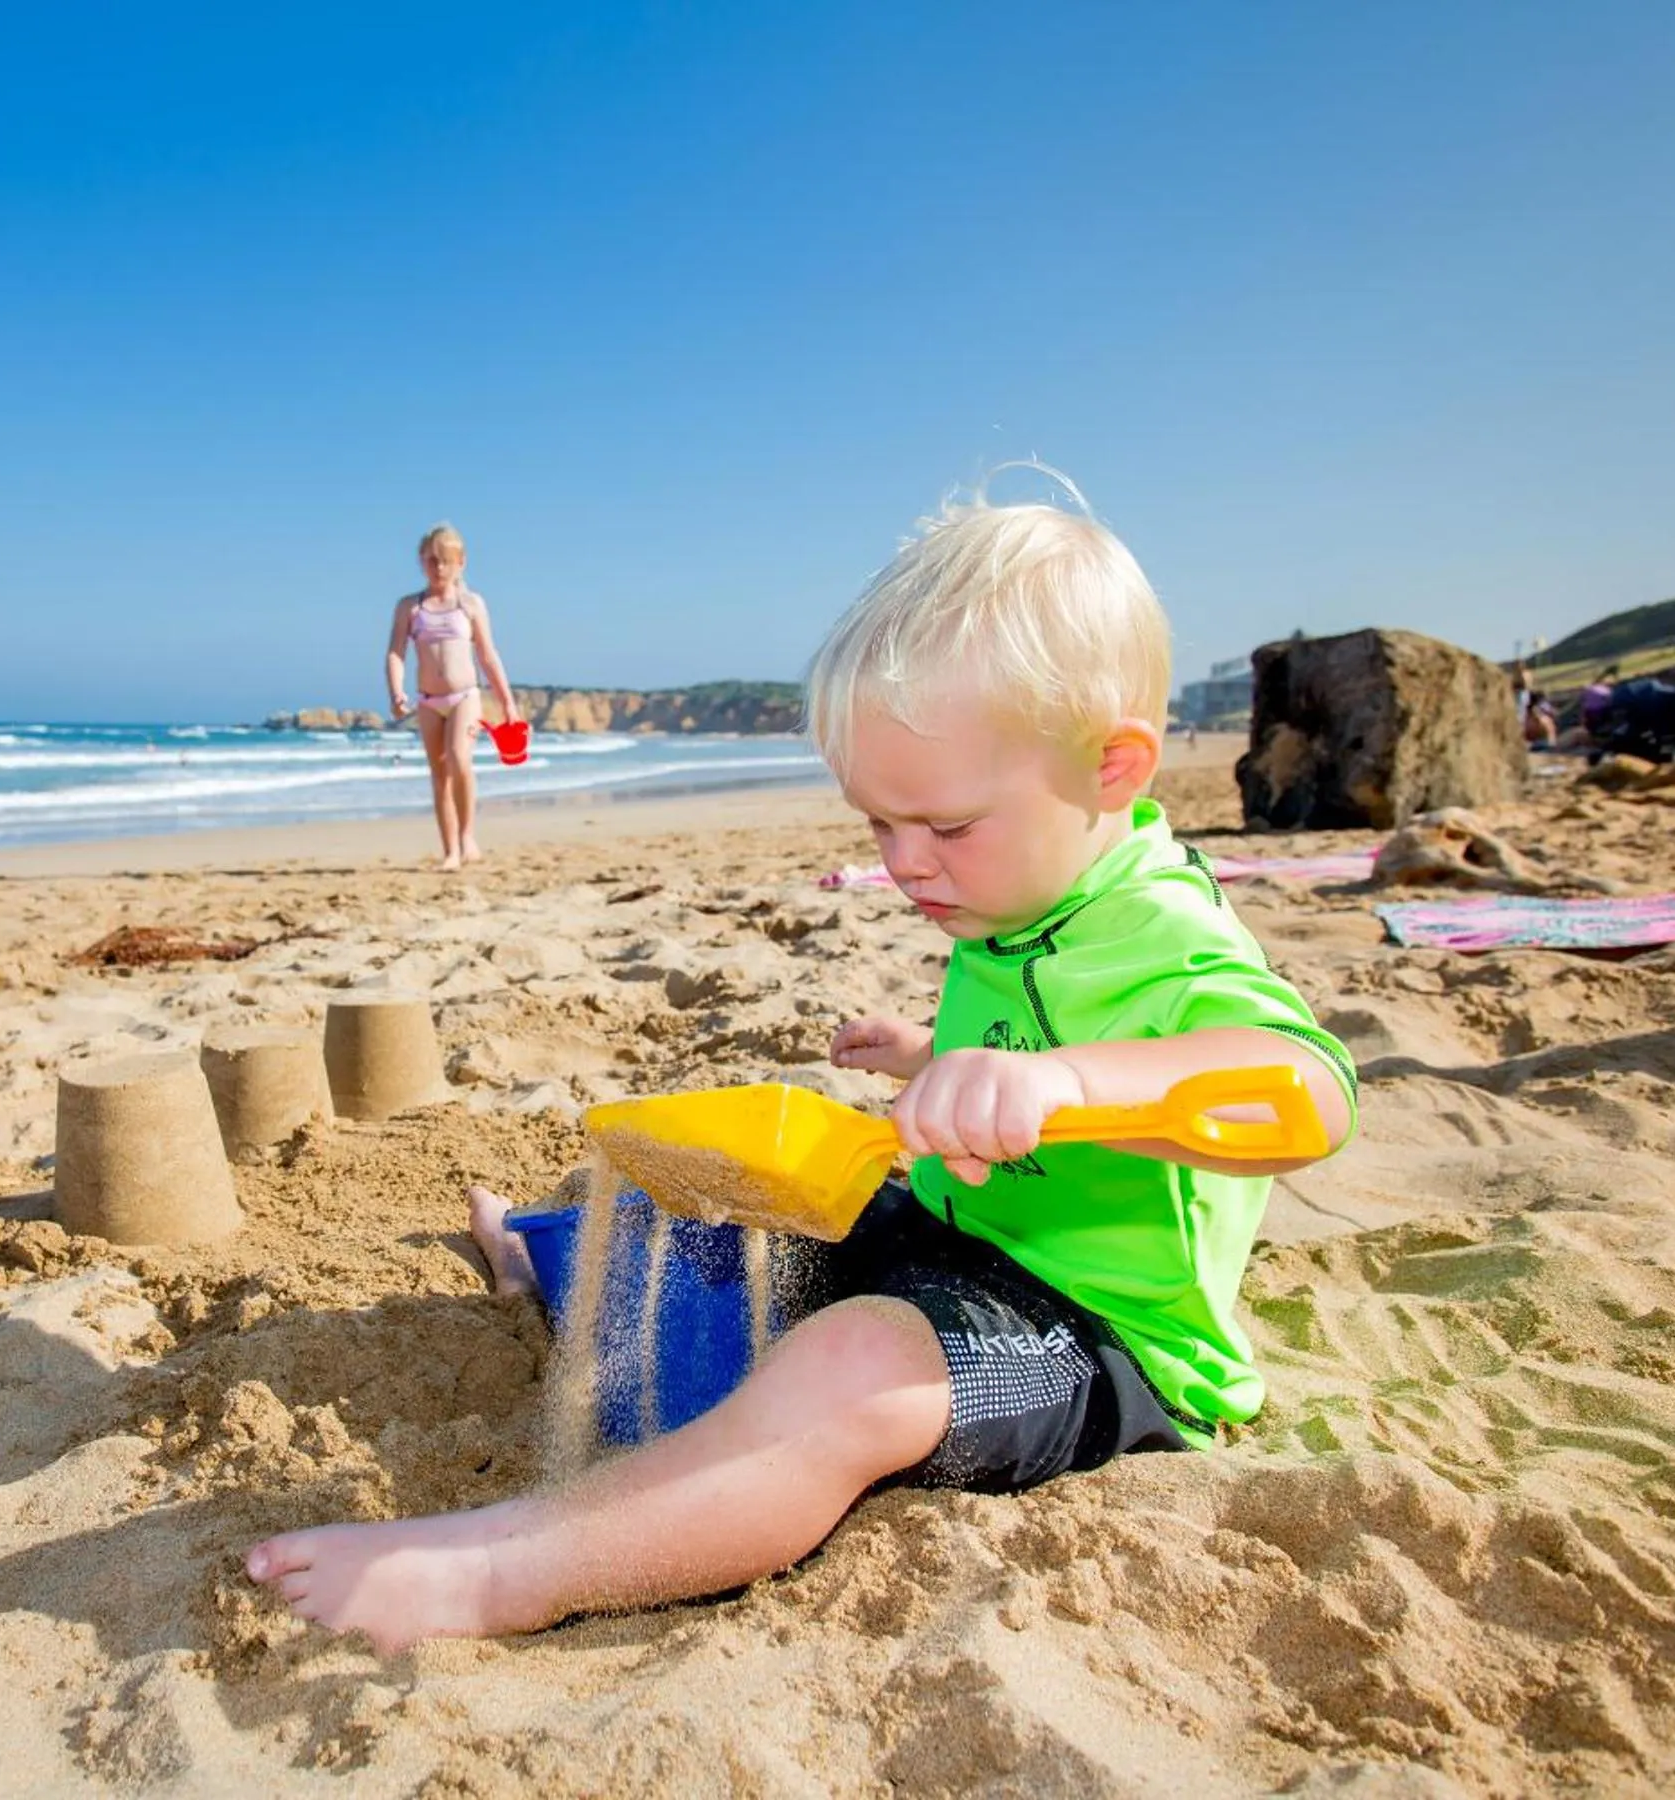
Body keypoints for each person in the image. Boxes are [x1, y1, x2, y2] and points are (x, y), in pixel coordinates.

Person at [251, 496, 1358, 1653]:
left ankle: (508, 1570)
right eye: (878, 825)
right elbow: (1033, 1037)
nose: (905, 865)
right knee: (723, 1206)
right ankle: (541, 1253)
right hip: (956, 1236)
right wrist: (935, 1057)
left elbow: (1307, 1090)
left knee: (854, 1366)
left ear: (1111, 768)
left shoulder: (1166, 929)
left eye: (945, 827)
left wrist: (1068, 1088)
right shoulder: (1022, 880)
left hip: (1099, 1336)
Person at [385, 523, 518, 871]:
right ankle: (451, 851)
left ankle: (467, 836)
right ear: (421, 561)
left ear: (461, 562)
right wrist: (396, 691)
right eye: (432, 560)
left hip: (464, 697)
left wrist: (507, 702)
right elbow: (396, 652)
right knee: (439, 773)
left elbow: (488, 655)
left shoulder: (470, 604)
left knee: (459, 758)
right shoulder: (410, 607)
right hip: (429, 701)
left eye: (446, 560)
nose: (439, 567)